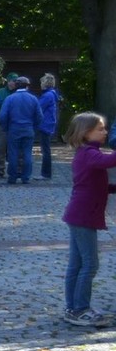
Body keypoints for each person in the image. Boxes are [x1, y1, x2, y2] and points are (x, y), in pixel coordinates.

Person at [61, 112, 116, 328]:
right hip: (83, 216)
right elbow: (109, 160)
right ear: (86, 133)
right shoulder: (89, 154)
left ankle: (72, 307)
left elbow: (95, 183)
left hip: (80, 215)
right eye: (100, 129)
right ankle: (80, 309)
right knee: (90, 264)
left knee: (77, 264)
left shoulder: (87, 153)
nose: (105, 132)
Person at [0, 76, 43, 184]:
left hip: (14, 129)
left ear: (16, 86)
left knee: (13, 153)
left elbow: (3, 116)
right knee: (27, 153)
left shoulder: (10, 98)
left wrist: (5, 128)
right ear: (27, 86)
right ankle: (26, 177)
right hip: (28, 129)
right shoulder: (33, 99)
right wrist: (34, 127)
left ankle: (12, 177)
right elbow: (40, 116)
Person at [35, 73, 59, 181]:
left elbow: (39, 108)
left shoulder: (47, 95)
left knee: (45, 150)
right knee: (46, 149)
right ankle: (46, 173)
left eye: (41, 82)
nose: (40, 84)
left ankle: (45, 174)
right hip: (48, 124)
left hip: (45, 125)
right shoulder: (51, 94)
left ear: (45, 83)